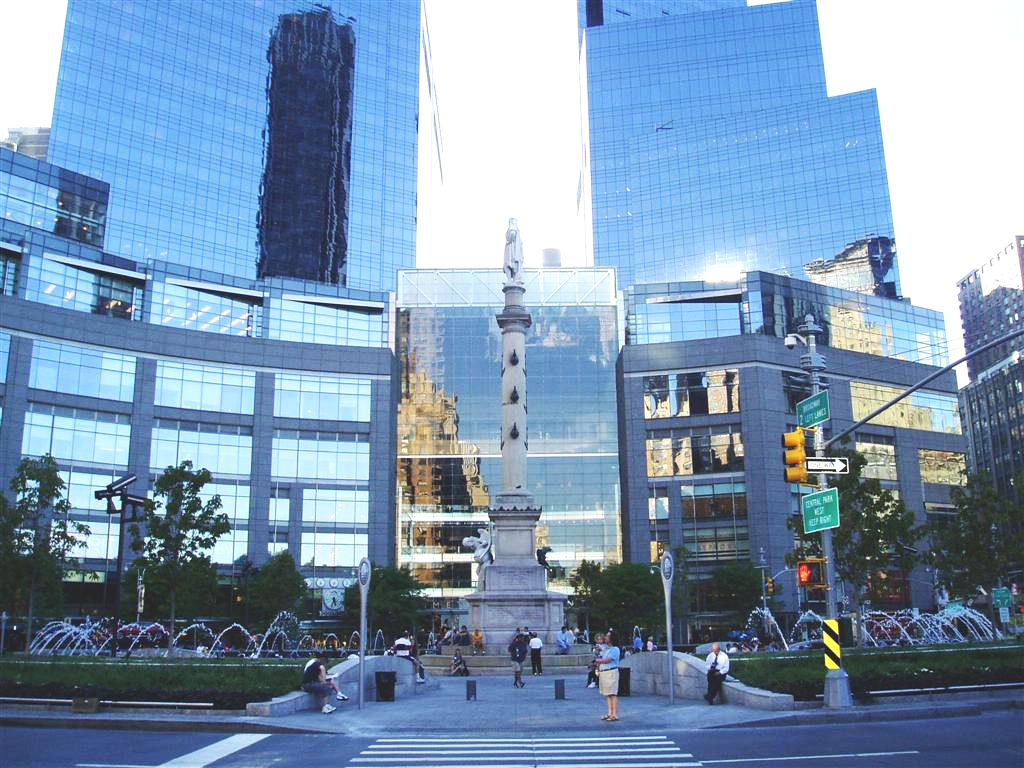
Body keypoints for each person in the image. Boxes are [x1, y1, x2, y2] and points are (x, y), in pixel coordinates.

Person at [595, 630, 621, 721]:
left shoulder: (615, 649)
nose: (605, 637)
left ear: (612, 638)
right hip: (604, 672)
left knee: (612, 693)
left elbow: (608, 660)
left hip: (611, 672)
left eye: (607, 636)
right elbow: (601, 657)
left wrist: (599, 661)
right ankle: (610, 713)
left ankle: (614, 714)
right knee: (608, 694)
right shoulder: (607, 649)